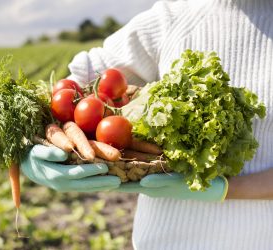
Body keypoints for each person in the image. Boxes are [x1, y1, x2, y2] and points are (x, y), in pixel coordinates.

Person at [21, 0, 273, 249]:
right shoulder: (171, 19)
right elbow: (70, 89)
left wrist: (223, 189)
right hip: (164, 242)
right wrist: (28, 148)